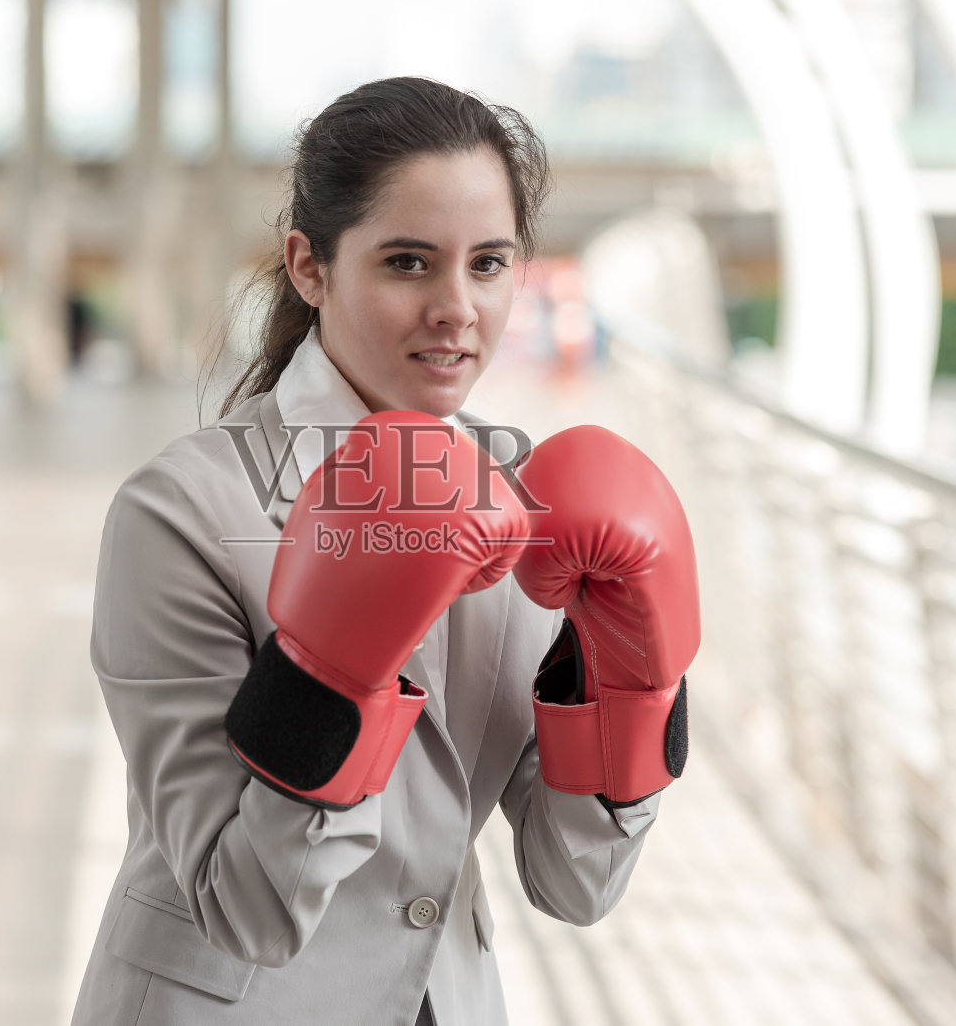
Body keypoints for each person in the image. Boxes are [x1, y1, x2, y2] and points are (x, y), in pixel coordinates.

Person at [70, 76, 698, 1026]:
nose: (457, 307)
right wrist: (334, 673)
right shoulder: (183, 512)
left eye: (488, 264)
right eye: (409, 262)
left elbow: (577, 881)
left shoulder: (527, 499)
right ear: (310, 266)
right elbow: (247, 906)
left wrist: (631, 684)